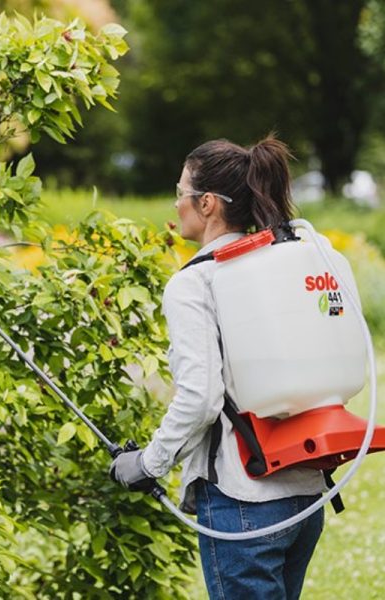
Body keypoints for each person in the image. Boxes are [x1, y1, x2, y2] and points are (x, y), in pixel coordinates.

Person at [110, 136, 326, 600]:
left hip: (243, 500)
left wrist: (147, 464)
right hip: (307, 492)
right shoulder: (283, 261)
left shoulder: (196, 282)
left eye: (180, 192)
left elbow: (200, 397)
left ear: (206, 203)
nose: (176, 203)